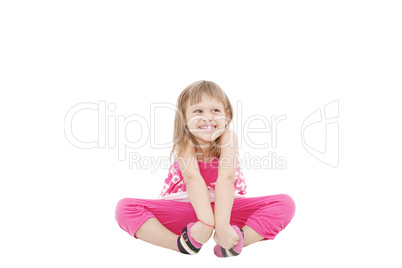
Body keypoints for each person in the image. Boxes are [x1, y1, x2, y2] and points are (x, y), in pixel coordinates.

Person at [115, 80, 295, 257]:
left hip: (226, 207)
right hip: (187, 208)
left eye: (215, 111)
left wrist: (222, 225)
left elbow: (227, 178)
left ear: (228, 115)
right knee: (124, 208)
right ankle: (182, 243)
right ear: (184, 119)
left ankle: (234, 241)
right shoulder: (185, 142)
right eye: (198, 111)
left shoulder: (228, 138)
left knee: (285, 204)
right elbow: (192, 179)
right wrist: (206, 222)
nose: (208, 117)